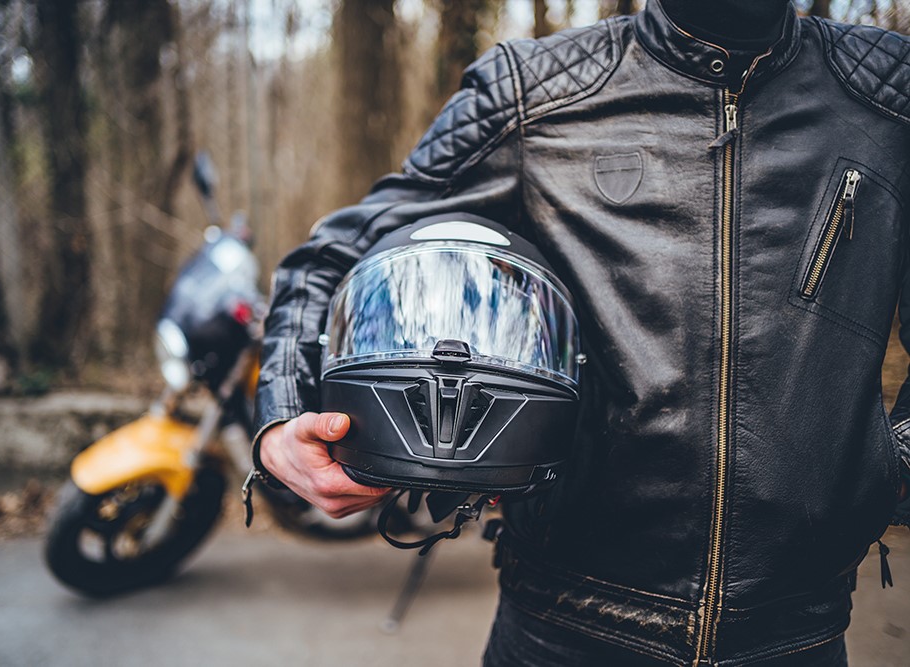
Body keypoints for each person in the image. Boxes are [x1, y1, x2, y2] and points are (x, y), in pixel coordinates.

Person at [249, 0, 910, 664]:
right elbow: (340, 250)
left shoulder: (888, 93)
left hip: (800, 630)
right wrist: (281, 417)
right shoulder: (536, 92)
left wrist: (888, 470)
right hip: (563, 626)